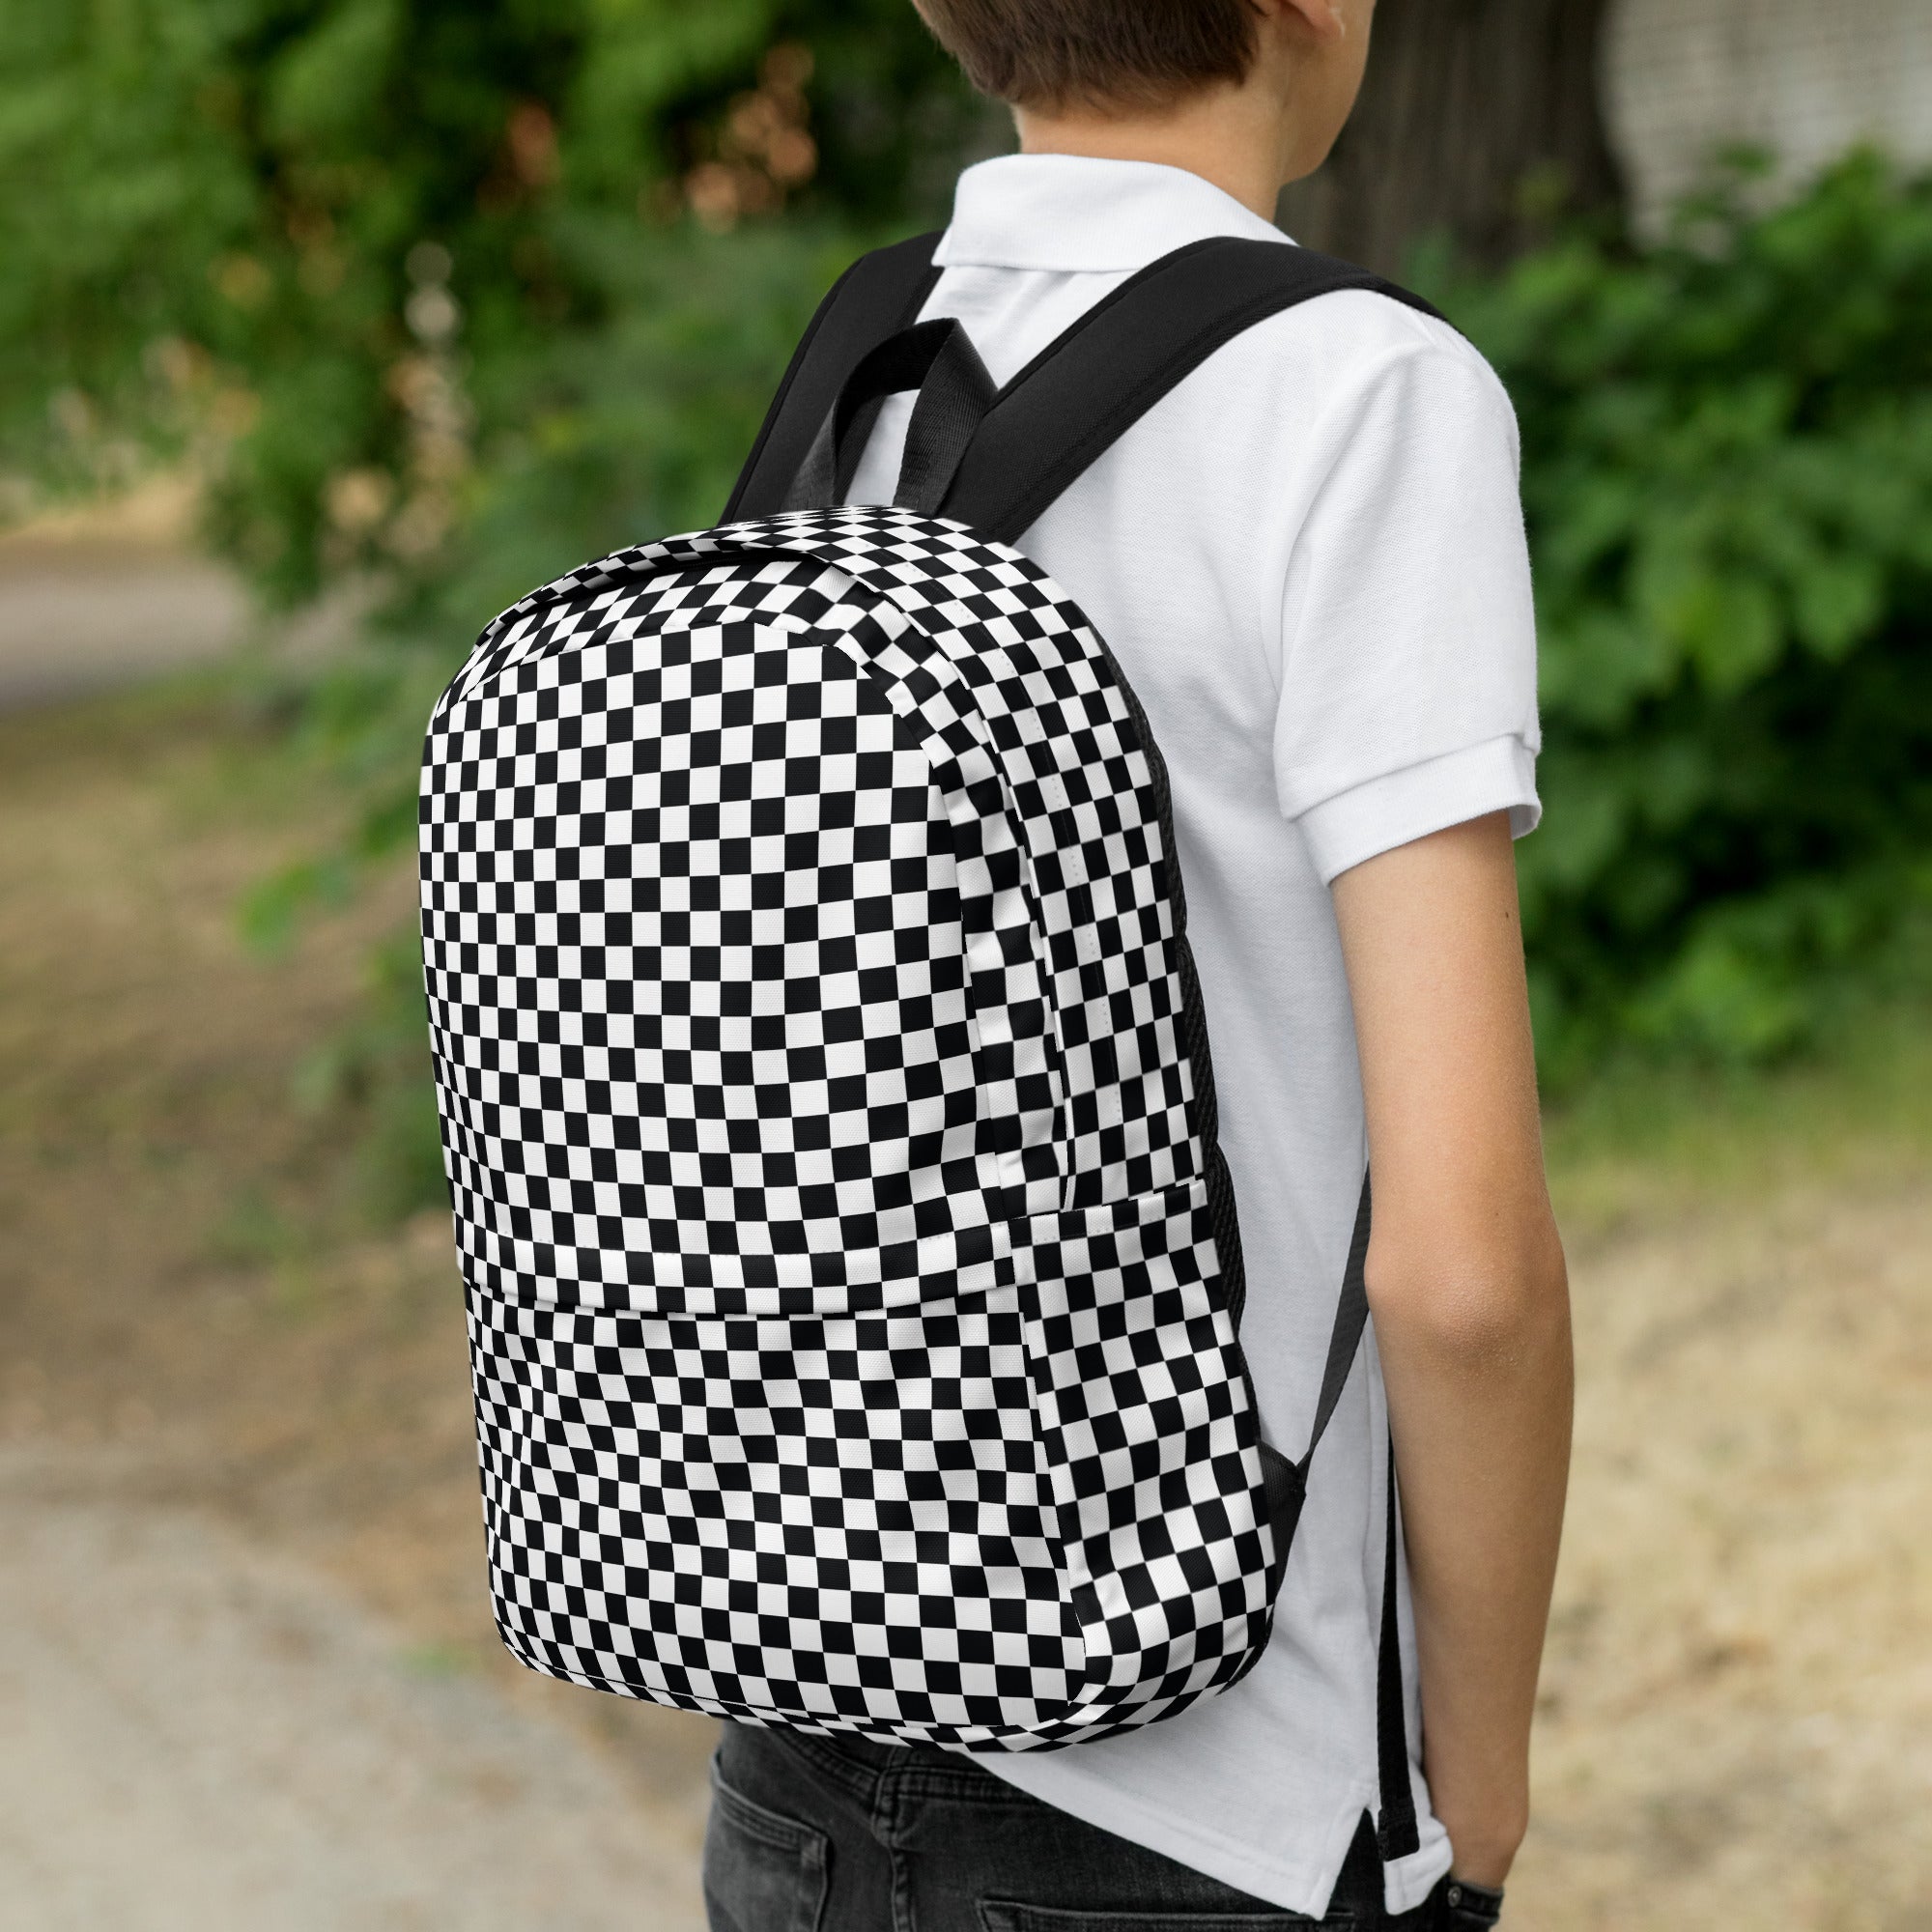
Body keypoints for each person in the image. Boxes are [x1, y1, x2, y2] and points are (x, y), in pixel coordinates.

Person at [702, 2, 1574, 1925]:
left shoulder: (864, 362)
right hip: (1209, 1787)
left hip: (801, 1723)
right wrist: (1483, 1783)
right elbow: (1462, 1276)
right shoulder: (1362, 393)